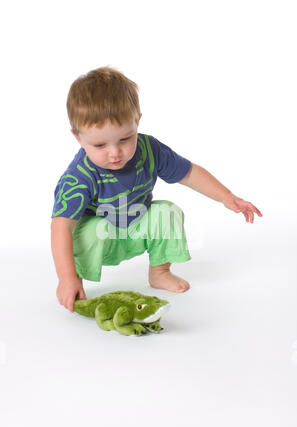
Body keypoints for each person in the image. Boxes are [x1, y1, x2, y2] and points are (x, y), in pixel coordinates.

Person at [51, 66, 263, 312]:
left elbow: (189, 173)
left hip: (134, 229)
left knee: (166, 211)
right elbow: (61, 226)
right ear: (78, 138)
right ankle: (78, 280)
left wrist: (227, 197)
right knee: (90, 230)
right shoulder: (79, 177)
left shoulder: (150, 150)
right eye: (100, 144)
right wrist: (66, 277)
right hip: (100, 241)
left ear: (137, 121)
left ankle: (160, 272)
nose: (115, 153)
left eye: (124, 139)